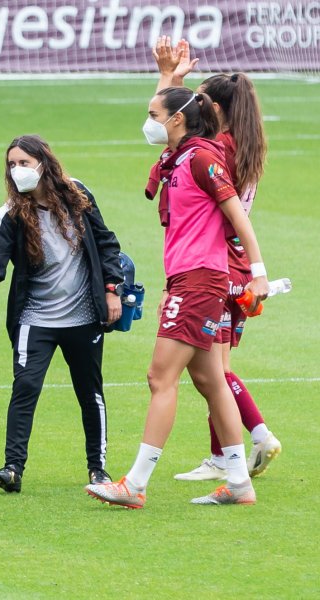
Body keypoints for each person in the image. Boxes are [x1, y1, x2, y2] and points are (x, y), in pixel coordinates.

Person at [85, 87, 271, 508]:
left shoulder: (203, 158)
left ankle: (135, 483)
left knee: (160, 377)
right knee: (210, 379)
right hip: (189, 281)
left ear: (177, 119)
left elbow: (237, 214)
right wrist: (167, 76)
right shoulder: (180, 158)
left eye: (154, 114)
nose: (148, 122)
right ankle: (240, 482)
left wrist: (258, 273)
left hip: (200, 282)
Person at [153, 38, 283, 482]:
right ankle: (236, 451)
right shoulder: (244, 147)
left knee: (211, 369)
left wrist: (171, 83)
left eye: (202, 102)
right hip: (232, 267)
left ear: (217, 109)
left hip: (215, 268)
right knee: (210, 366)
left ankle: (246, 443)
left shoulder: (214, 150)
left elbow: (169, 146)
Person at [0, 135, 125, 492]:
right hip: (34, 319)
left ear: (44, 162)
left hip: (84, 318)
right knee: (25, 388)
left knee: (90, 392)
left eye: (24, 162)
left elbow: (107, 242)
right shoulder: (8, 214)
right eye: (12, 164)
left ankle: (98, 468)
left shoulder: (77, 195)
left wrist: (113, 289)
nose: (17, 170)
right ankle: (12, 468)